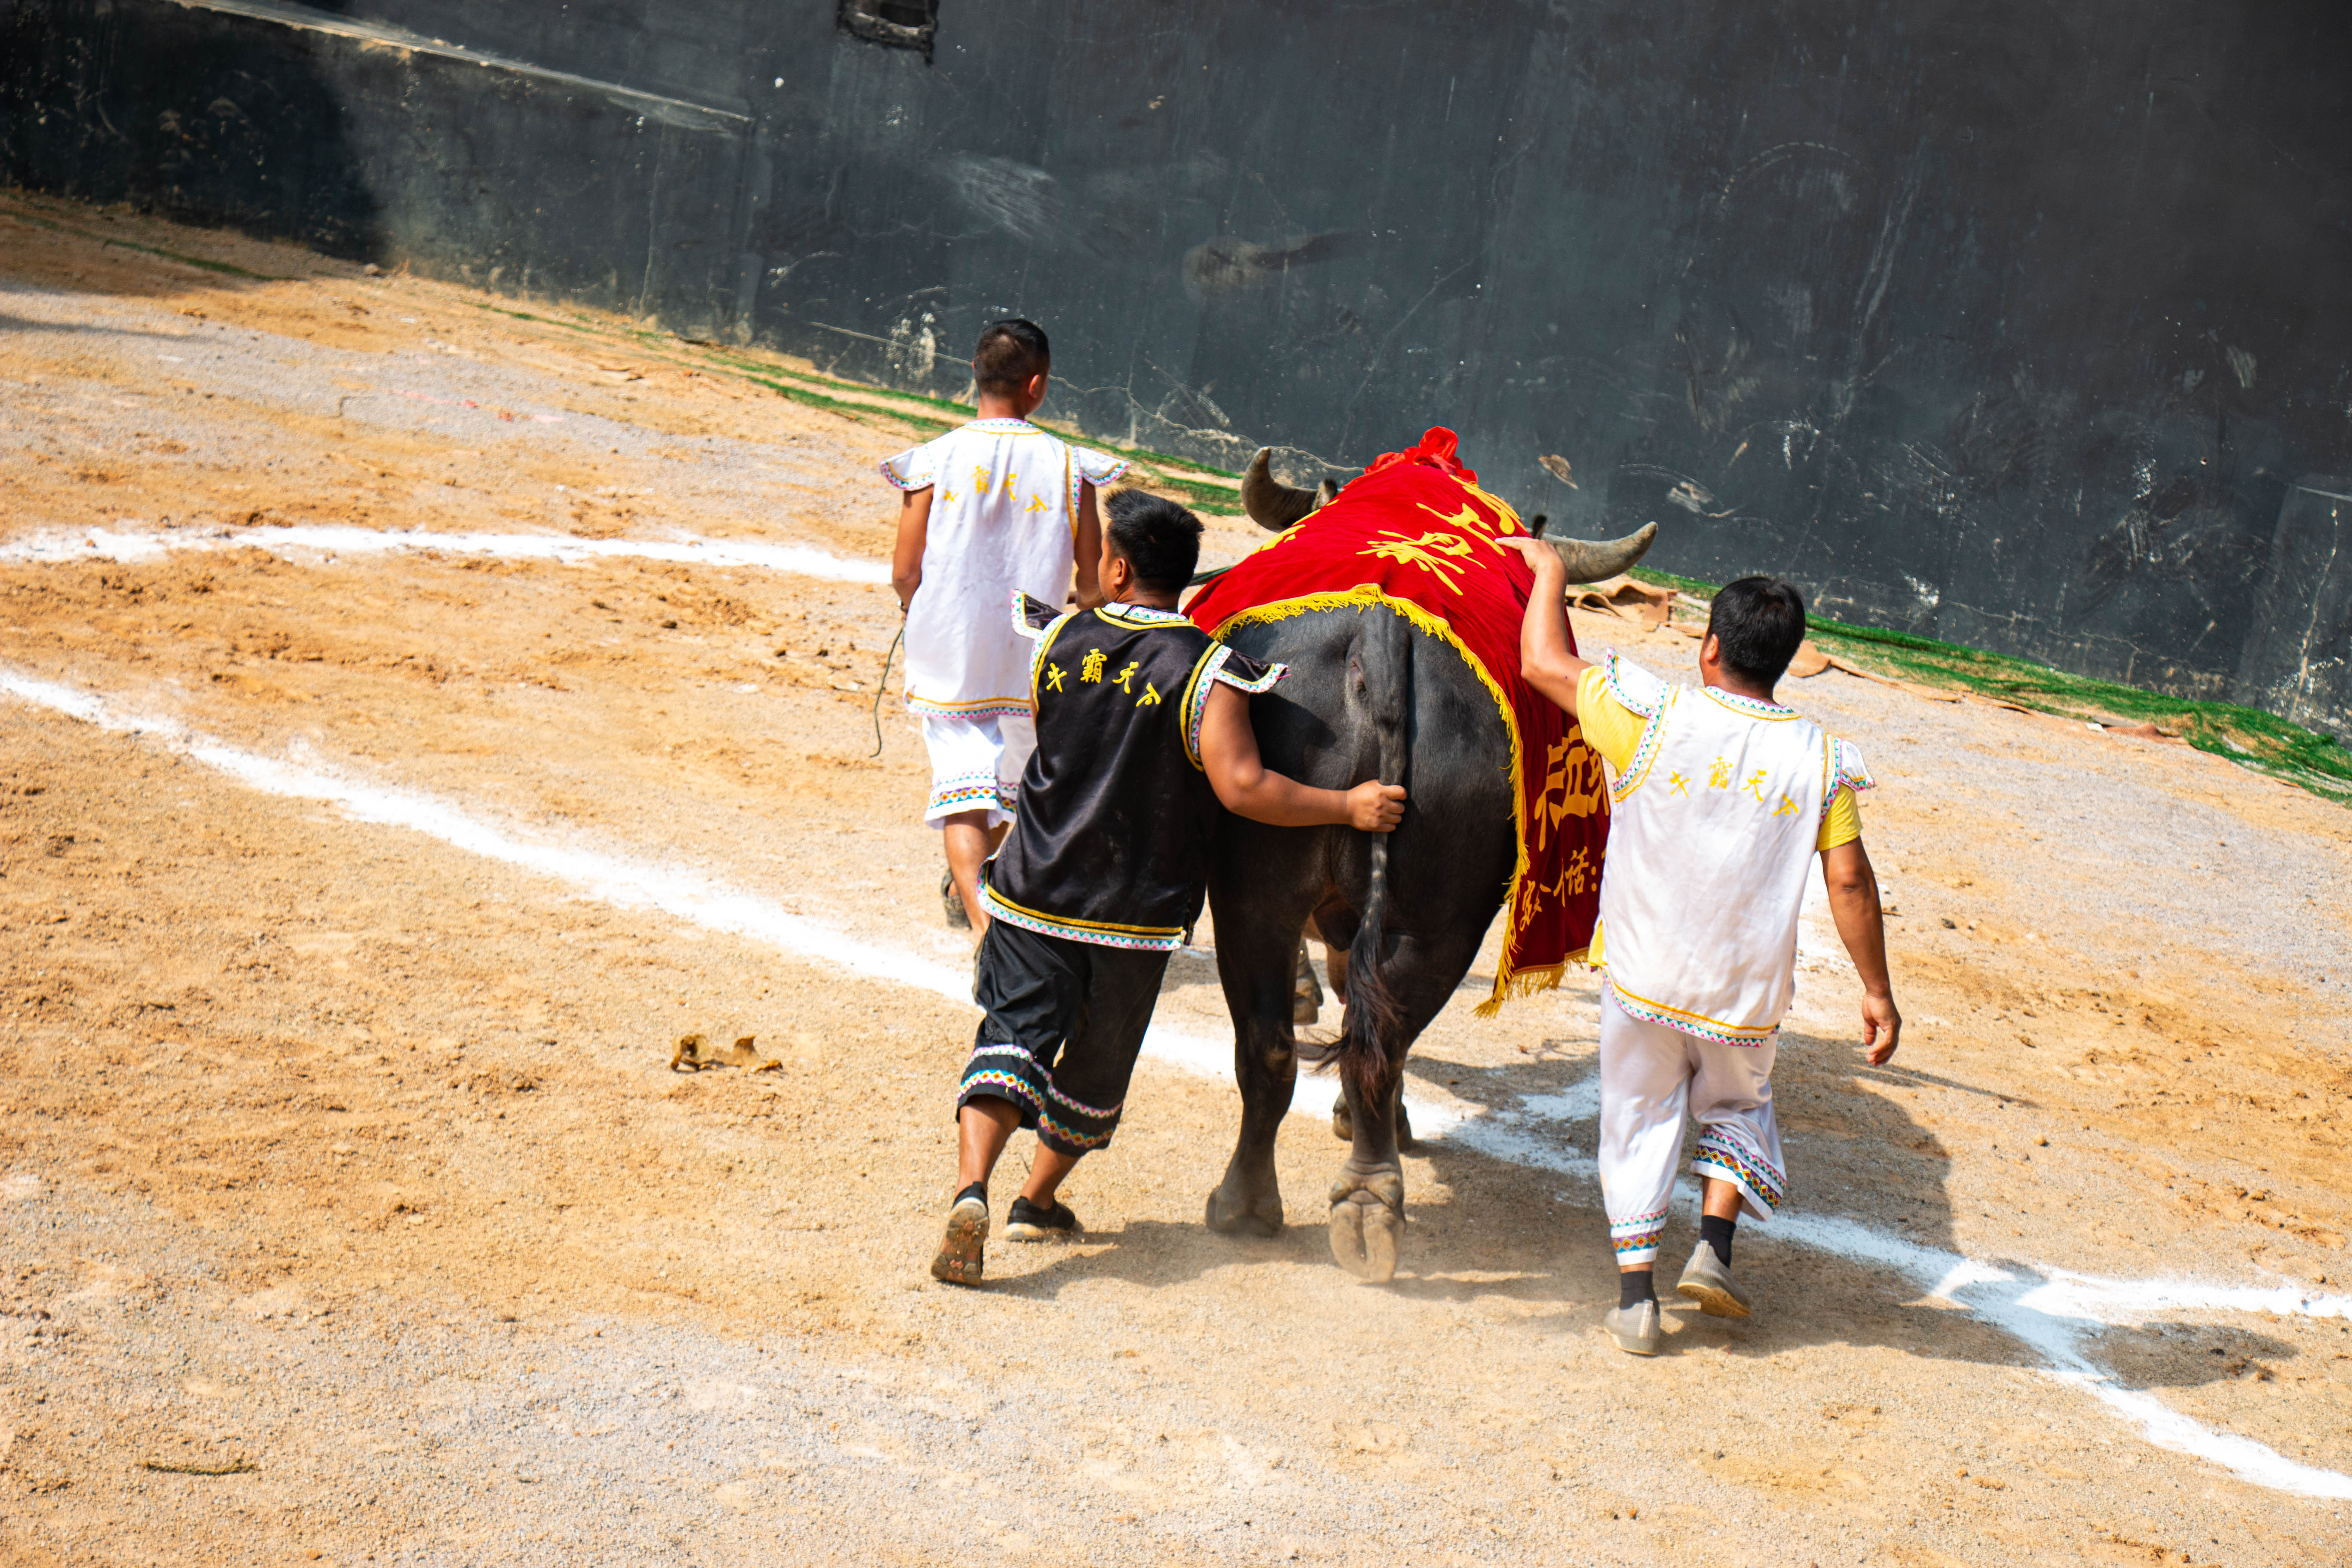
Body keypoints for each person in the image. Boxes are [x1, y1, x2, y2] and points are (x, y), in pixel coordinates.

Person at [931, 491, 1407, 1286]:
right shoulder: (1209, 671)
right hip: (1130, 919)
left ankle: (971, 1189)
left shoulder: (1057, 638)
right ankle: (1034, 1201)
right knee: (1093, 1071)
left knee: (1009, 1041)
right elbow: (1245, 787)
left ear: (1117, 567)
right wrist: (1346, 805)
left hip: (1033, 893)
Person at [1503, 538, 1900, 1355]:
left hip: (1646, 977)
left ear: (1710, 647)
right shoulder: (1822, 761)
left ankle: (1637, 1302)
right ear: (1788, 661)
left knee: (1638, 1119)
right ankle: (1714, 1251)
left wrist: (1547, 572)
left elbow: (1542, 662)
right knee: (1741, 1106)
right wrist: (1876, 991)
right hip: (1743, 995)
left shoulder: (1651, 716)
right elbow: (1851, 882)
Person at [884, 318, 1127, 934]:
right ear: (1038, 385)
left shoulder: (935, 459)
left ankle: (987, 933)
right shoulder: (1071, 466)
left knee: (966, 792)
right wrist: (1082, 603)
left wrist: (918, 611)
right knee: (1015, 785)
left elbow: (905, 569)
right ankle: (989, 908)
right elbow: (1093, 581)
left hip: (953, 648)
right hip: (1033, 652)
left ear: (974, 374)